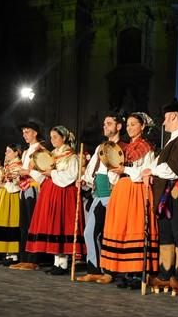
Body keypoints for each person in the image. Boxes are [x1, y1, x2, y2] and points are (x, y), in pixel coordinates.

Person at [100, 112, 159, 289]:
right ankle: (124, 270)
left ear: (142, 127)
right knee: (122, 229)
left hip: (137, 189)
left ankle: (136, 272)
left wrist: (125, 169)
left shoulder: (146, 147)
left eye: (134, 124)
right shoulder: (124, 148)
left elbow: (146, 171)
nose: (130, 127)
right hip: (122, 189)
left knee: (135, 227)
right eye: (129, 125)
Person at [145, 99, 178, 294]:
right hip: (166, 194)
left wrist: (152, 170)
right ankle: (165, 274)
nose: (164, 122)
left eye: (166, 118)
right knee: (166, 233)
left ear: (174, 116)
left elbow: (175, 168)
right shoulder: (172, 139)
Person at [25, 126, 85, 275]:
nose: (52, 140)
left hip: (63, 192)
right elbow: (43, 175)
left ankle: (63, 263)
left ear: (63, 138)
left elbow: (70, 176)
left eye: (56, 137)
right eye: (51, 137)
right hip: (50, 191)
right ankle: (56, 262)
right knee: (52, 225)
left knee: (61, 224)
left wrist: (51, 172)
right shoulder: (50, 155)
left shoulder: (71, 156)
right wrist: (33, 171)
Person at [76, 113, 124, 284]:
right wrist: (84, 180)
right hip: (98, 193)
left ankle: (109, 271)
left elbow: (119, 172)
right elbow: (92, 170)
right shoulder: (100, 147)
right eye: (104, 123)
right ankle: (95, 269)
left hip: (112, 195)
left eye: (109, 123)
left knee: (107, 234)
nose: (105, 126)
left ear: (118, 126)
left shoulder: (123, 147)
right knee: (91, 233)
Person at [10, 120, 47, 270]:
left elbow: (43, 172)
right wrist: (16, 176)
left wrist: (27, 172)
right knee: (24, 224)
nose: (24, 134)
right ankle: (23, 257)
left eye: (27, 132)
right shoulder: (26, 152)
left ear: (35, 133)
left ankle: (33, 259)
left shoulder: (41, 149)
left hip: (34, 188)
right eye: (23, 132)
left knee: (33, 223)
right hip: (24, 189)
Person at [0, 143, 24, 263]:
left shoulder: (18, 166)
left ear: (16, 152)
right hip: (3, 195)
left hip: (11, 196)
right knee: (3, 223)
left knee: (10, 223)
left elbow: (17, 185)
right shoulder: (8, 166)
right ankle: (7, 254)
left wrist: (2, 185)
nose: (6, 153)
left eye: (9, 151)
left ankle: (13, 254)